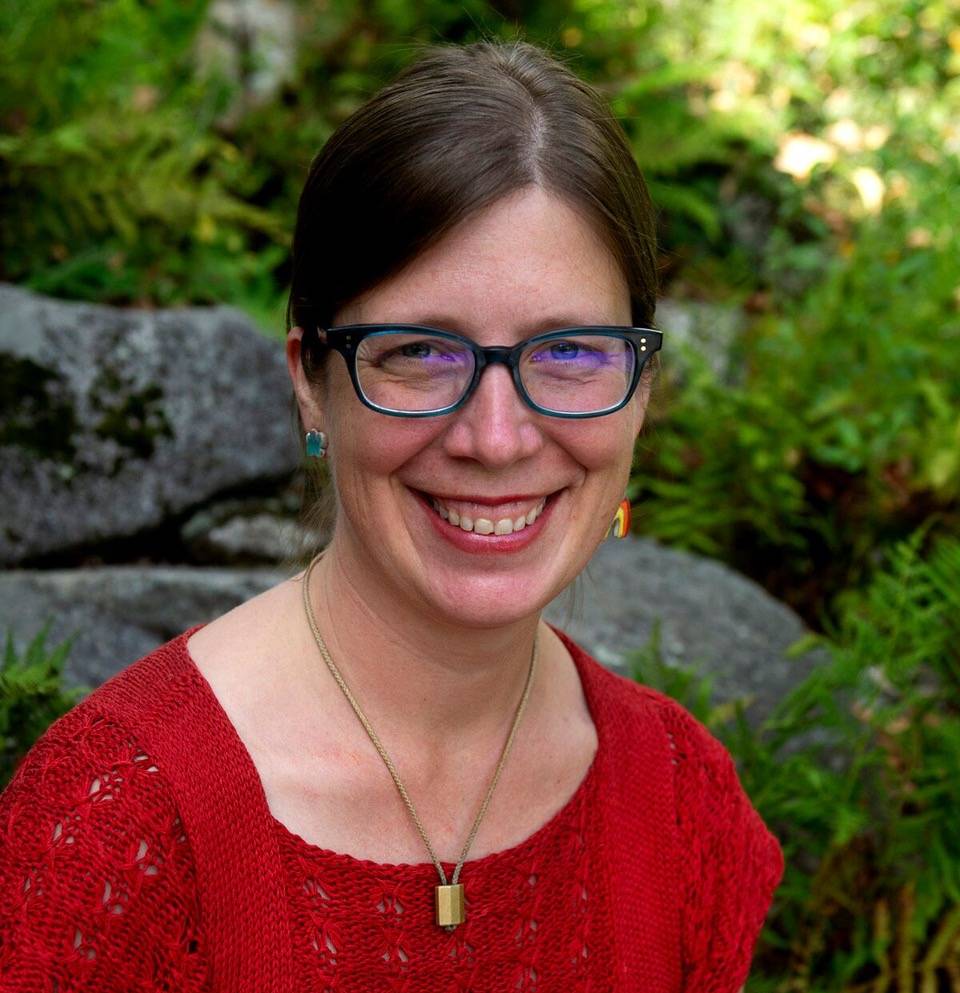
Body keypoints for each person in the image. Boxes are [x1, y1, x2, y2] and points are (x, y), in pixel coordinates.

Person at [0, 40, 783, 992]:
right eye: (420, 352)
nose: (496, 438)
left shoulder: (679, 804)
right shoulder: (114, 829)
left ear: (641, 389)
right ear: (311, 382)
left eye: (570, 352)